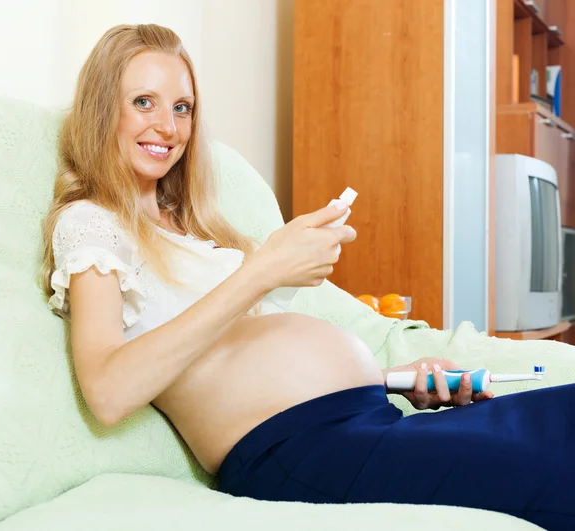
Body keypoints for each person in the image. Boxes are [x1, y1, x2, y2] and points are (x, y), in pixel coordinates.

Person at [41, 24, 575, 531]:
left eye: (182, 108)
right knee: (551, 462)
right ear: (100, 108)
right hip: (298, 449)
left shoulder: (191, 230)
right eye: (143, 102)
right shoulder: (92, 224)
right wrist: (260, 272)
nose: (169, 126)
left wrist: (395, 379)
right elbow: (108, 390)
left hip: (367, 417)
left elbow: (242, 362)